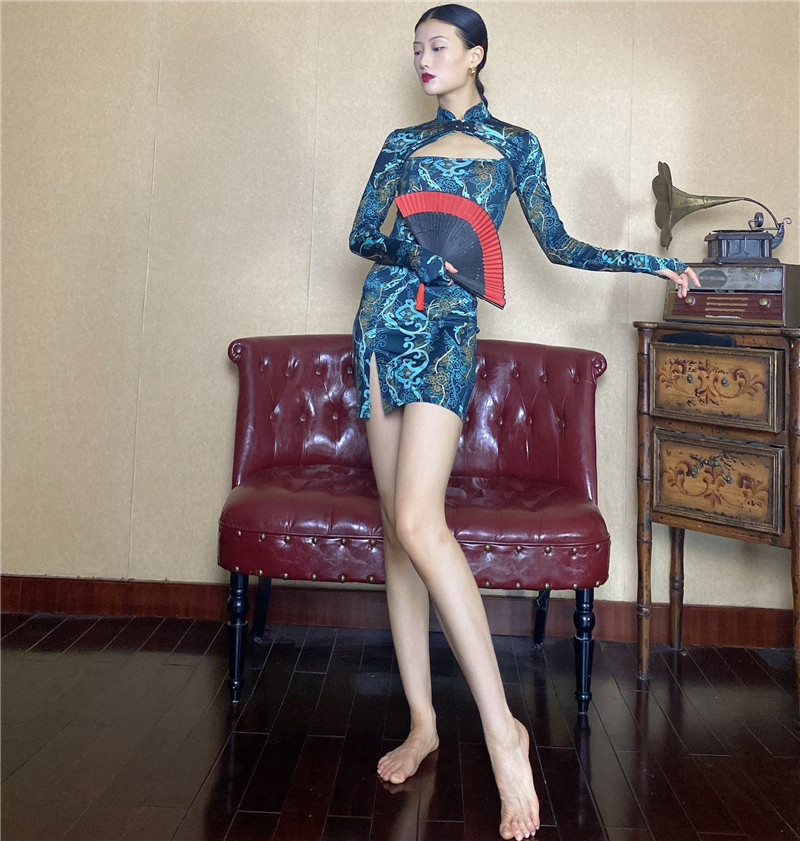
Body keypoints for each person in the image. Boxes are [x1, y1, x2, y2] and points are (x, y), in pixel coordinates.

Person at [348, 5, 700, 839]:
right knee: (396, 531)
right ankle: (424, 722)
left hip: (446, 333)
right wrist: (416, 246)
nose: (423, 58)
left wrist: (653, 261)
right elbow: (363, 233)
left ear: (475, 55)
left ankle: (504, 733)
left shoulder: (515, 145)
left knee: (418, 518)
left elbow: (561, 245)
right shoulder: (402, 144)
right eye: (416, 48)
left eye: (438, 46)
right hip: (382, 324)